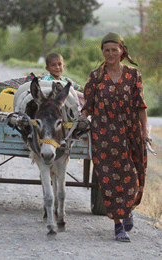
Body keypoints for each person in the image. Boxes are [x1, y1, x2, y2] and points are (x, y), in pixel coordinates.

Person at [79, 32, 150, 242]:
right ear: (103, 52)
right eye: (106, 50)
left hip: (131, 132)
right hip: (104, 135)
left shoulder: (133, 75)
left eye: (114, 49)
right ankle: (119, 225)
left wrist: (145, 132)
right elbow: (87, 106)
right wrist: (81, 119)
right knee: (112, 181)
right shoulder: (96, 76)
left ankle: (127, 210)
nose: (110, 53)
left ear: (122, 51)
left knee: (135, 177)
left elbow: (141, 107)